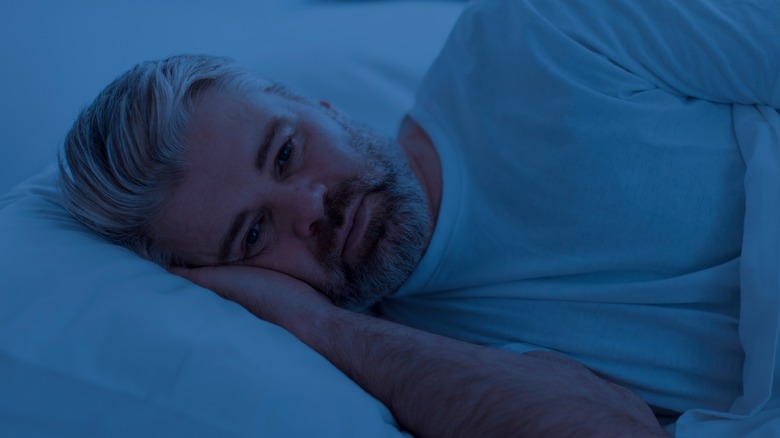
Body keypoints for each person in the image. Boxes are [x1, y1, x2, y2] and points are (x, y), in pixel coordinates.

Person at [57, 0, 780, 436]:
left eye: (286, 152)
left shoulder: (543, 32)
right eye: (253, 234)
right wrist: (322, 327)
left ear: (319, 104)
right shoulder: (407, 369)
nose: (310, 207)